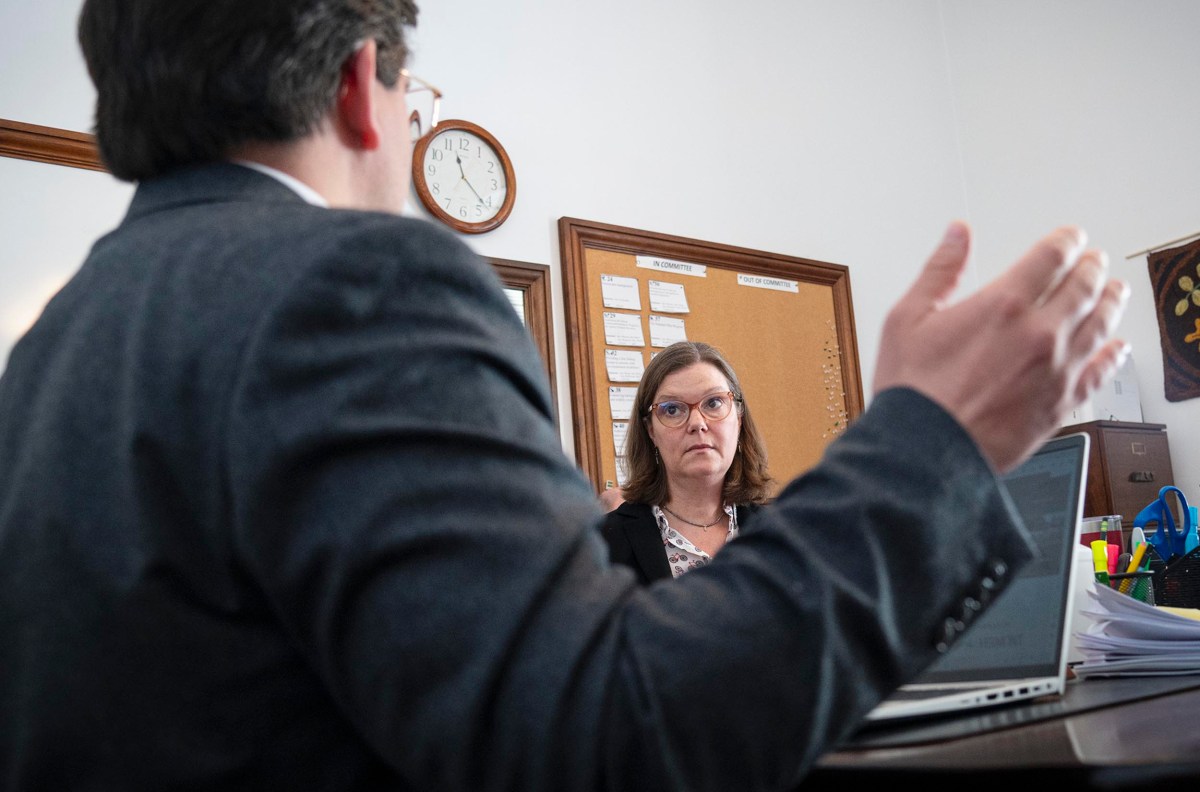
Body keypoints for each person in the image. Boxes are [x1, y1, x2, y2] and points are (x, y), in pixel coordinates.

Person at [0, 1, 1131, 790]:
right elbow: (611, 739)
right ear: (361, 86)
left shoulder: (49, 352)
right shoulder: (355, 283)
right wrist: (934, 440)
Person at [601, 341, 773, 583]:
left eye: (713, 403)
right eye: (672, 409)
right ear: (651, 430)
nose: (697, 423)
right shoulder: (605, 544)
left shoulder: (783, 536)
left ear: (739, 419)